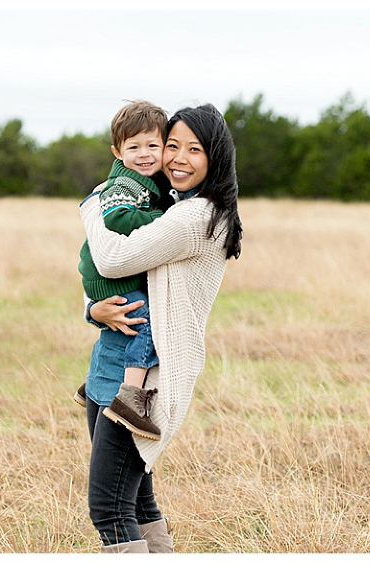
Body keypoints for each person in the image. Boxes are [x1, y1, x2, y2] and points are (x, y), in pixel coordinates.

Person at [78, 104, 243, 553]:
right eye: (172, 145)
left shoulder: (195, 217)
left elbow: (111, 256)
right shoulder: (173, 203)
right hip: (112, 360)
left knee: (108, 509)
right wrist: (94, 310)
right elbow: (114, 276)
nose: (177, 158)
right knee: (136, 501)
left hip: (145, 377)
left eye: (194, 149)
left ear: (215, 157)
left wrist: (93, 204)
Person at [76, 99, 178, 441]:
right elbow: (116, 218)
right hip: (106, 275)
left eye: (153, 145)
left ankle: (91, 385)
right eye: (134, 146)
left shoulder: (151, 184)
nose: (145, 153)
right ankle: (130, 398)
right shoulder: (127, 185)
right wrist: (162, 219)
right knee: (145, 322)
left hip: (110, 275)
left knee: (135, 322)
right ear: (117, 152)